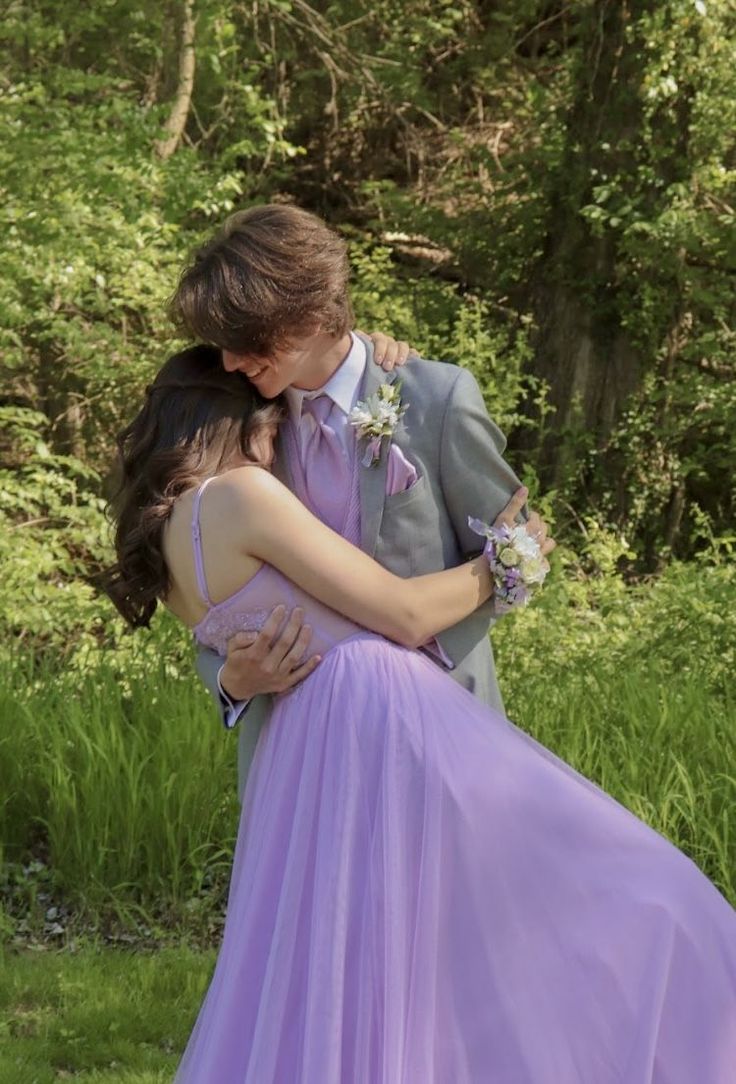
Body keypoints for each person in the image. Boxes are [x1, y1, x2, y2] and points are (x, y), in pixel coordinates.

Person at [106, 346, 736, 1083]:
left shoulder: (168, 539)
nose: (278, 442)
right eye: (270, 423)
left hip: (309, 754)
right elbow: (403, 613)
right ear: (229, 420)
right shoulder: (242, 493)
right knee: (639, 889)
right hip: (386, 725)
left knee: (358, 973)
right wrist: (508, 558)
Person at [168, 204, 553, 802]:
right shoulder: (235, 425)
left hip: (441, 743)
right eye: (222, 344)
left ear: (315, 314)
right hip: (300, 760)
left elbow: (518, 550)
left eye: (246, 341)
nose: (230, 361)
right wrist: (231, 680)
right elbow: (215, 600)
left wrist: (429, 645)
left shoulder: (436, 399)